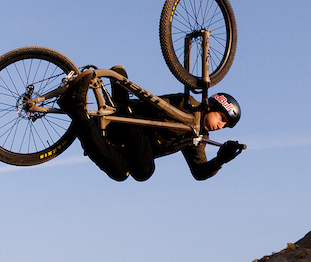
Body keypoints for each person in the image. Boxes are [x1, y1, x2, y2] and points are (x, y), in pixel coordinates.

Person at [58, 68, 244, 183]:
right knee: (146, 170)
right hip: (131, 122)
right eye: (221, 118)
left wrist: (220, 160)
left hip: (128, 146)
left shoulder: (197, 138)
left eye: (225, 125)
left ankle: (77, 112)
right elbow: (152, 102)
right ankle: (120, 93)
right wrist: (123, 88)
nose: (221, 126)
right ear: (211, 106)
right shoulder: (185, 104)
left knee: (122, 173)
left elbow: (199, 171)